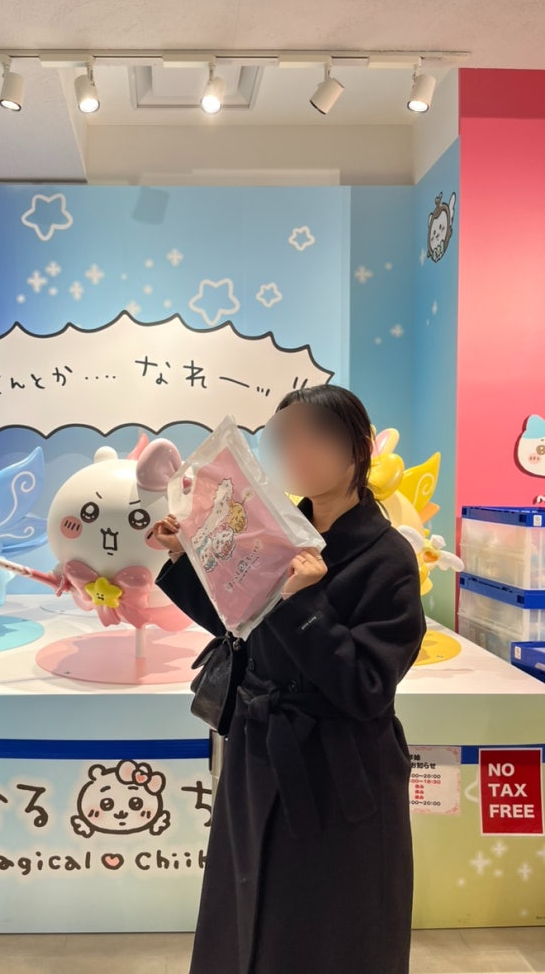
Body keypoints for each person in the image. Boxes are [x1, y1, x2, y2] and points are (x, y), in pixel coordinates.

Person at [152, 384, 426, 974]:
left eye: (314, 438)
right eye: (284, 440)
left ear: (358, 449)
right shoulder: (273, 533)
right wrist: (183, 557)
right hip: (258, 754)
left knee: (328, 927)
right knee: (245, 910)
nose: (297, 453)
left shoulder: (388, 557)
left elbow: (367, 688)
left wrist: (304, 603)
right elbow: (239, 623)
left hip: (337, 769)